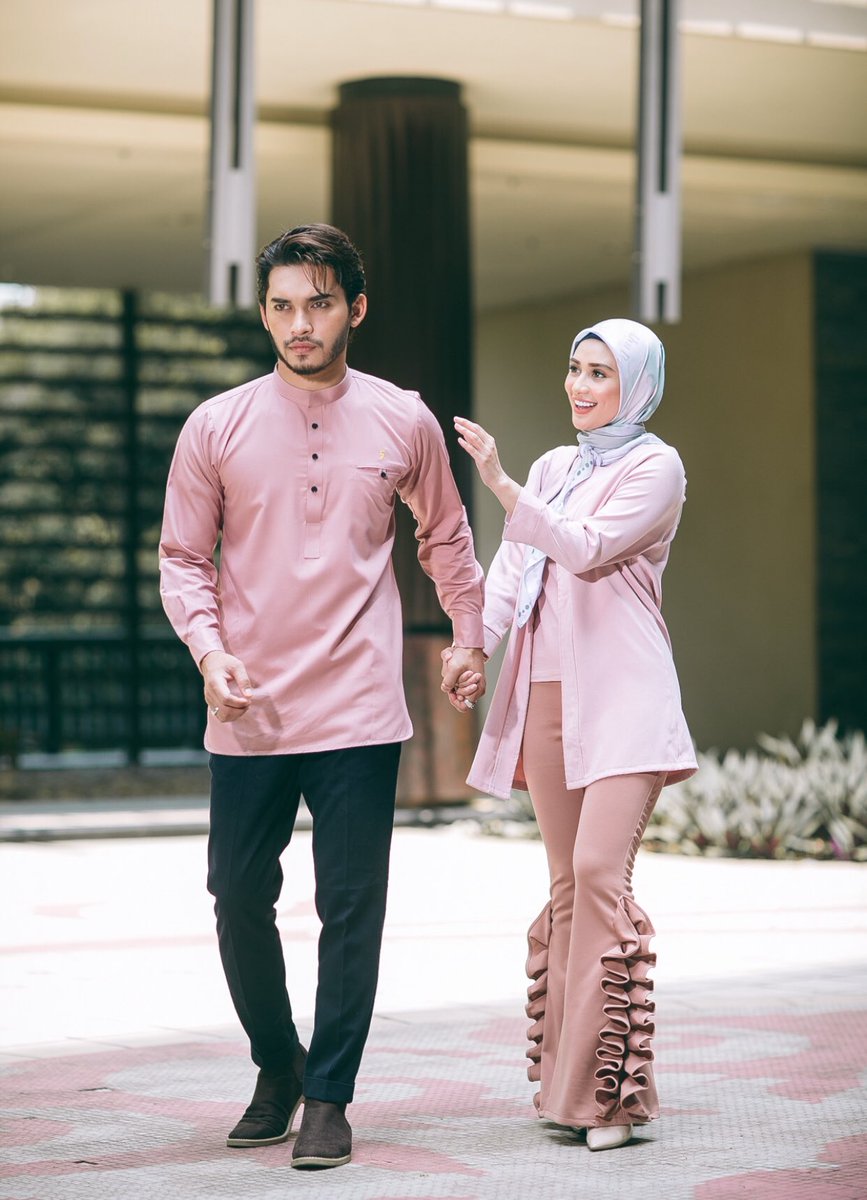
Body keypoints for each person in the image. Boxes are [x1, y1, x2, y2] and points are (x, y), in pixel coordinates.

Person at [159, 223, 485, 1170]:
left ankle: (329, 1097)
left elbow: (446, 538)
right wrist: (209, 653)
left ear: (355, 309)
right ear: (265, 314)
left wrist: (469, 636)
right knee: (235, 896)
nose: (299, 324)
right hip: (248, 705)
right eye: (282, 306)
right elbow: (183, 558)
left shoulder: (402, 420)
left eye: (319, 303)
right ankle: (278, 1064)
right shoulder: (214, 425)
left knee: (350, 908)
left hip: (357, 706)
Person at [449, 318, 696, 1152]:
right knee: (565, 887)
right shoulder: (557, 466)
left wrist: (500, 484)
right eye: (574, 368)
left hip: (626, 696)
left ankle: (609, 1100)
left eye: (600, 373)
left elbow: (584, 549)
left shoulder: (655, 466)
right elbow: (514, 570)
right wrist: (474, 646)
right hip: (546, 694)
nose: (580, 386)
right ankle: (570, 1093)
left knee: (597, 875)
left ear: (636, 386)